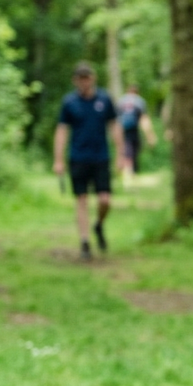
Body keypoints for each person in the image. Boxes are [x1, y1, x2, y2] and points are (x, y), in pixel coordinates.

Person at [52, 62, 123, 260]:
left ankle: (99, 224)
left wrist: (121, 154)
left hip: (101, 157)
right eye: (80, 78)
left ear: (93, 78)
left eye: (87, 77)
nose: (84, 81)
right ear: (75, 80)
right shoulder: (69, 103)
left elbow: (114, 126)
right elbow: (62, 130)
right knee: (81, 199)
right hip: (78, 157)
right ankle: (84, 242)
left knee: (104, 199)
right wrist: (58, 159)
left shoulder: (105, 99)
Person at [116, 84, 157, 180]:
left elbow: (116, 120)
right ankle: (129, 175)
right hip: (133, 130)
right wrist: (150, 135)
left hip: (122, 130)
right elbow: (144, 119)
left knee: (126, 151)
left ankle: (129, 173)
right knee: (132, 152)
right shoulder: (139, 101)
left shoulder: (121, 101)